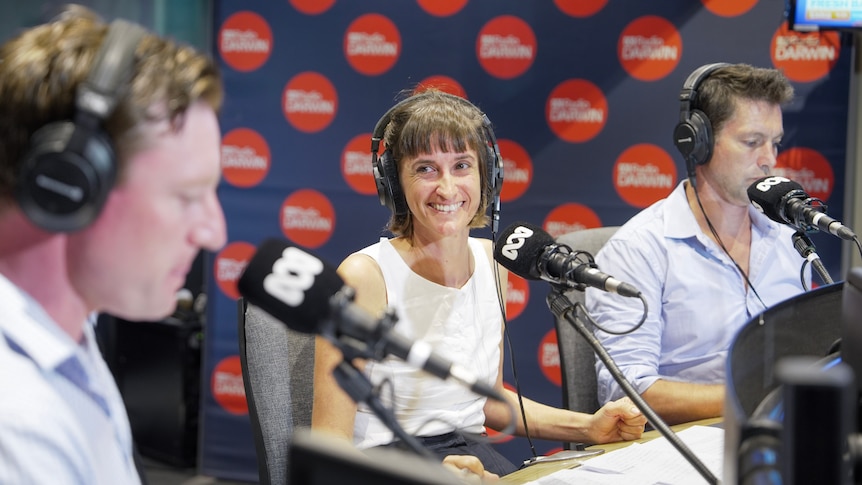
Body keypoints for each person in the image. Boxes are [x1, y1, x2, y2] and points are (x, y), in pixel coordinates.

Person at [311, 88, 646, 478]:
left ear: (487, 173)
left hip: (471, 459)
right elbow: (329, 441)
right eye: (425, 169)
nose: (448, 189)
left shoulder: (492, 261)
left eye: (461, 166)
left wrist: (588, 427)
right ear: (392, 182)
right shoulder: (365, 276)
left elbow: (487, 400)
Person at [0, 5, 226, 484]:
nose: (213, 231)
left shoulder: (67, 342)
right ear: (69, 185)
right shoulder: (17, 422)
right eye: (187, 196)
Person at [585, 63, 809, 426]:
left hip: (780, 430)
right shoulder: (638, 249)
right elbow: (626, 389)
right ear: (697, 142)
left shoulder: (787, 237)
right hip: (682, 444)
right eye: (752, 142)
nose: (770, 159)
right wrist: (752, 395)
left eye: (775, 142)